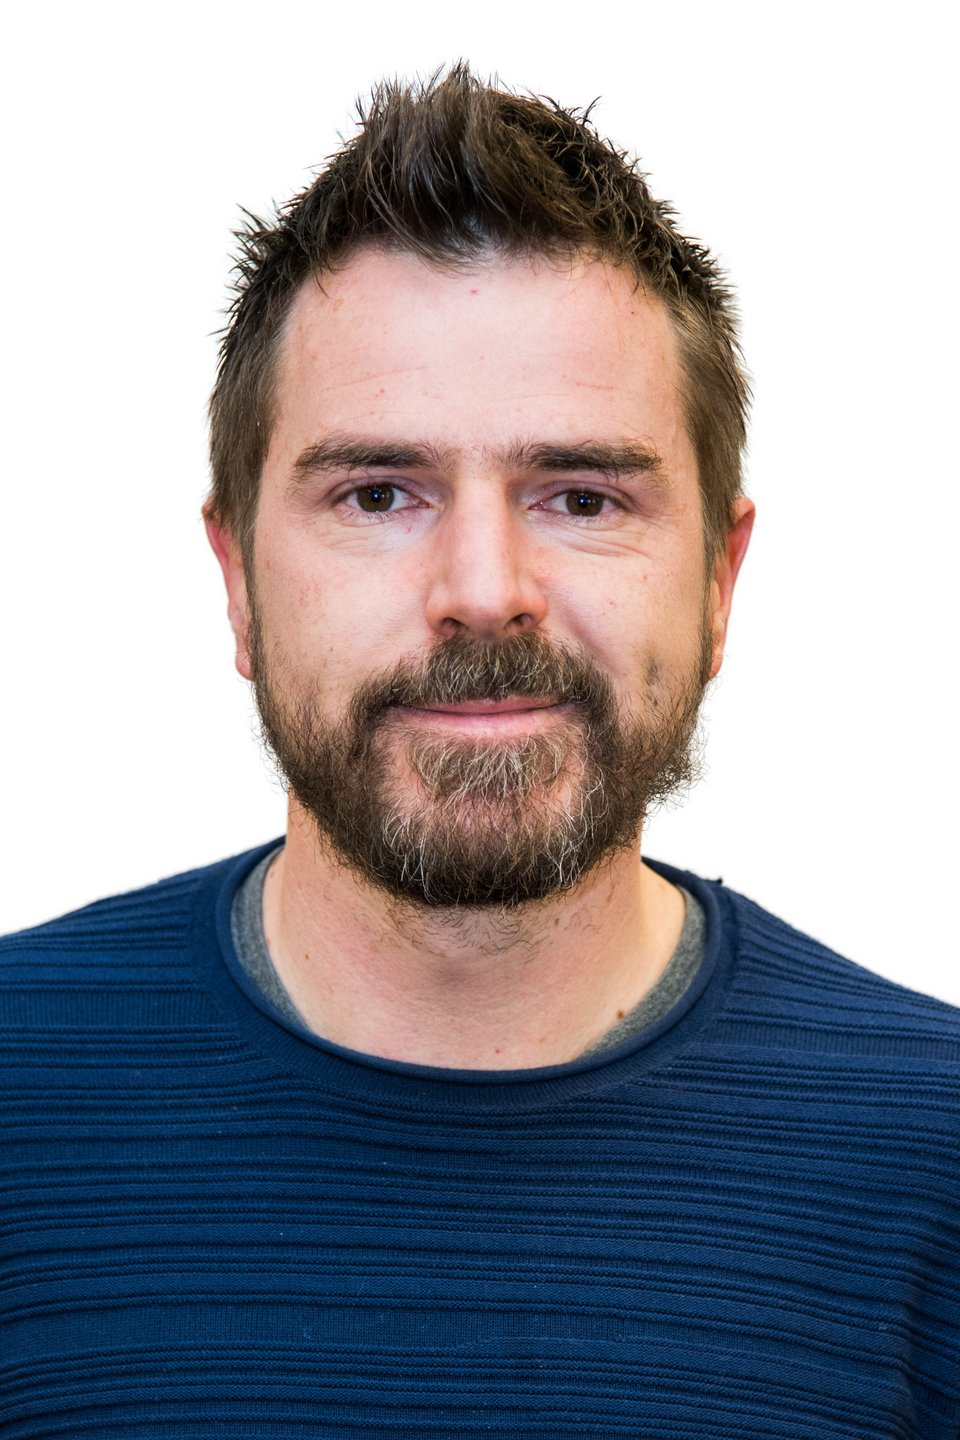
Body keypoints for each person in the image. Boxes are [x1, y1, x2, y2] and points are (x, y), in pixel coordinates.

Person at [3, 66, 959, 1439]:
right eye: (378, 494)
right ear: (237, 582)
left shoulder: (935, 1151)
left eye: (581, 497)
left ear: (718, 581)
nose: (483, 589)